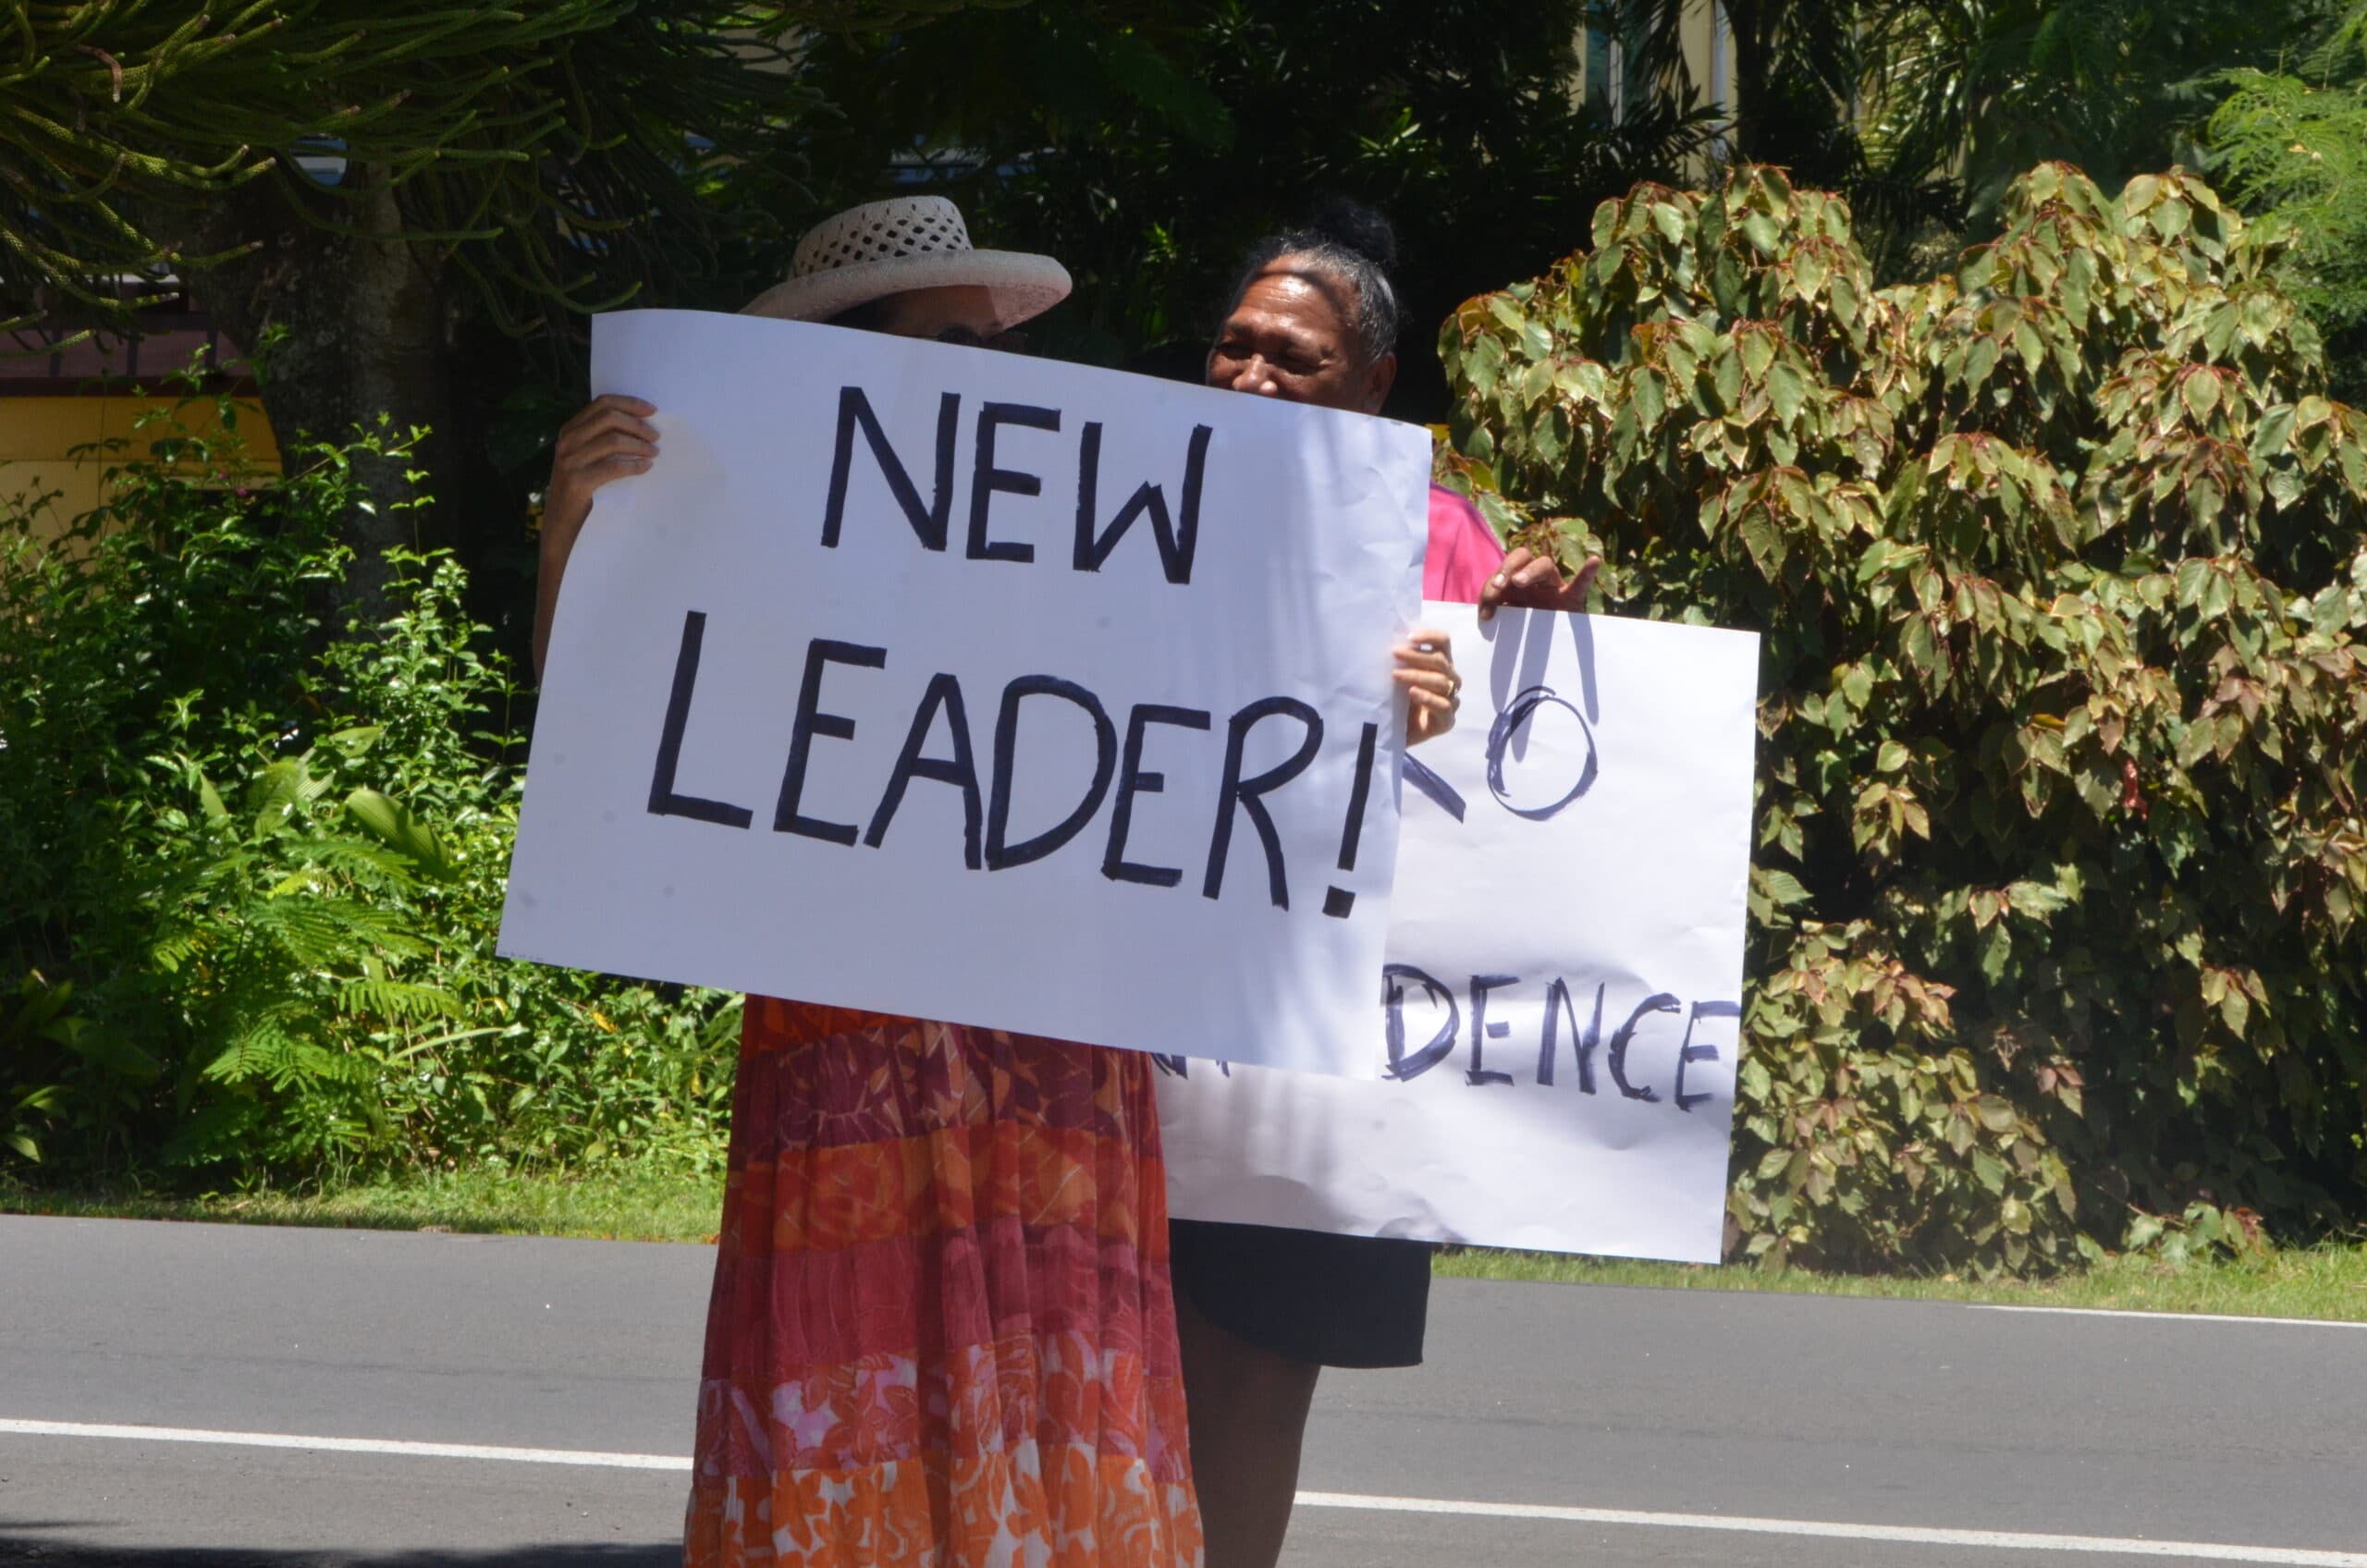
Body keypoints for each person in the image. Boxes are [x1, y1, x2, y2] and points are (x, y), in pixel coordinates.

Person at [531, 195, 1466, 1568]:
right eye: (943, 343)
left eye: (991, 344)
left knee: (1053, 1410)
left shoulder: (1064, 516)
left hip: (1054, 1061)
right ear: (845, 362)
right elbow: (600, 728)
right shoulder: (730, 516)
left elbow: (1217, 706)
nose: (985, 372)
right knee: (856, 1419)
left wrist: (1380, 697)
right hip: (850, 1053)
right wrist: (569, 528)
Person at [1173, 200, 1601, 1568]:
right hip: (1144, 1011)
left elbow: (1513, 791)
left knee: (1252, 1370)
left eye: (1290, 359)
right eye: (1233, 345)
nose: (1248, 375)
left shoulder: (1449, 545)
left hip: (1314, 1040)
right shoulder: (1121, 497)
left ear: (1372, 386)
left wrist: (1541, 644)